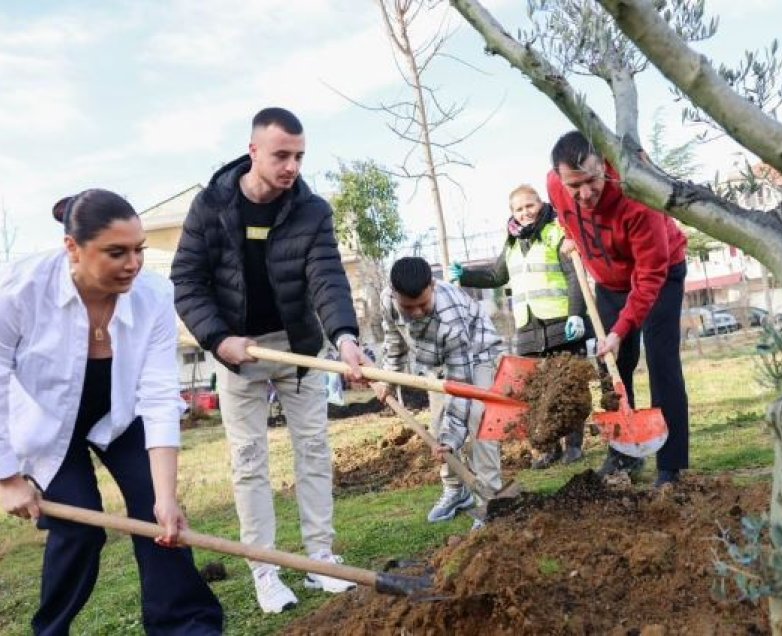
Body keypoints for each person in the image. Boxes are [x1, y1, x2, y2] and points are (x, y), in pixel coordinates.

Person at [170, 107, 371, 613]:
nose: (292, 167)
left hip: (298, 348)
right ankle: (265, 569)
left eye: (300, 156)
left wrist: (345, 337)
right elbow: (188, 282)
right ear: (254, 150)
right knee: (250, 461)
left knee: (314, 450)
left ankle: (321, 559)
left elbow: (326, 278)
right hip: (239, 352)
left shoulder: (311, 210)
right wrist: (218, 339)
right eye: (282, 155)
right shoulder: (211, 206)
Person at [0, 189, 223, 635]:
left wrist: (165, 496)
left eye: (138, 250)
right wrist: (6, 478)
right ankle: (50, 631)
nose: (133, 264)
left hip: (120, 413)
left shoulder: (154, 294)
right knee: (80, 528)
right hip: (46, 424)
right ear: (73, 249)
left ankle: (185, 627)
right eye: (116, 252)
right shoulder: (18, 289)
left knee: (159, 518)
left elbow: (159, 394)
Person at [547, 130, 689, 488]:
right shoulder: (555, 185)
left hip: (659, 275)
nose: (584, 193)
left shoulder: (637, 197)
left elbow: (650, 275)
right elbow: (567, 214)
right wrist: (569, 233)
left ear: (606, 167)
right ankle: (624, 454)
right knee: (613, 368)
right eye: (573, 186)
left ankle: (670, 468)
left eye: (591, 181)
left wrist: (621, 329)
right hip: (609, 282)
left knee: (662, 363)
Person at [449, 184, 588, 469]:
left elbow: (575, 275)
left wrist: (576, 314)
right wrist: (466, 276)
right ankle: (549, 448)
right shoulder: (512, 242)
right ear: (511, 212)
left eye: (530, 206)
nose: (525, 213)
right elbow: (496, 274)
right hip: (529, 329)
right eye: (518, 209)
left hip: (561, 324)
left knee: (569, 387)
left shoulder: (554, 232)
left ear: (540, 204)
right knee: (537, 391)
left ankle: (574, 446)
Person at [374, 257, 504, 528]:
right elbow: (394, 340)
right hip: (434, 362)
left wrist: (454, 437)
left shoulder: (450, 318)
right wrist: (387, 377)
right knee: (438, 428)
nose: (418, 312)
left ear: (432, 285)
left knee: (476, 419)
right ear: (395, 294)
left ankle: (491, 500)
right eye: (409, 307)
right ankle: (457, 490)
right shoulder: (387, 300)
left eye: (423, 304)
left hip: (476, 354)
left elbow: (462, 387)